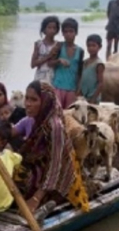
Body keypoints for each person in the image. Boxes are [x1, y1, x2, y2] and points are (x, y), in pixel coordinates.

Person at [13, 80, 90, 214]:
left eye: (34, 100)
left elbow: (55, 166)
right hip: (42, 166)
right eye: (27, 98)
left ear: (45, 102)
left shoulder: (55, 126)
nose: (27, 104)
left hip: (58, 174)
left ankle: (49, 198)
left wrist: (36, 199)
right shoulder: (38, 119)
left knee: (25, 183)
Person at [52, 18, 84, 109]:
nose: (68, 34)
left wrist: (78, 88)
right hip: (58, 86)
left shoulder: (80, 51)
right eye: (65, 32)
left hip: (72, 88)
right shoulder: (59, 46)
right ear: (62, 33)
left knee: (69, 113)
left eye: (71, 31)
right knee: (57, 112)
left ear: (76, 33)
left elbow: (80, 72)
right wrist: (59, 60)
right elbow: (50, 63)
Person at [31, 16, 60, 83]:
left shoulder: (58, 45)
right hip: (39, 76)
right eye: (49, 28)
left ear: (57, 30)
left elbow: (52, 63)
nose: (52, 30)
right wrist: (48, 56)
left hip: (52, 76)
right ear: (44, 29)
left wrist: (58, 61)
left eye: (54, 28)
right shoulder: (38, 44)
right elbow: (33, 64)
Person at [78, 34, 105, 104]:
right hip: (84, 96)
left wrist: (94, 98)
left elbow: (100, 83)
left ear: (99, 47)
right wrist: (79, 91)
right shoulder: (85, 62)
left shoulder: (99, 64)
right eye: (89, 46)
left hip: (93, 97)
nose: (91, 48)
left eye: (93, 46)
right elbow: (82, 78)